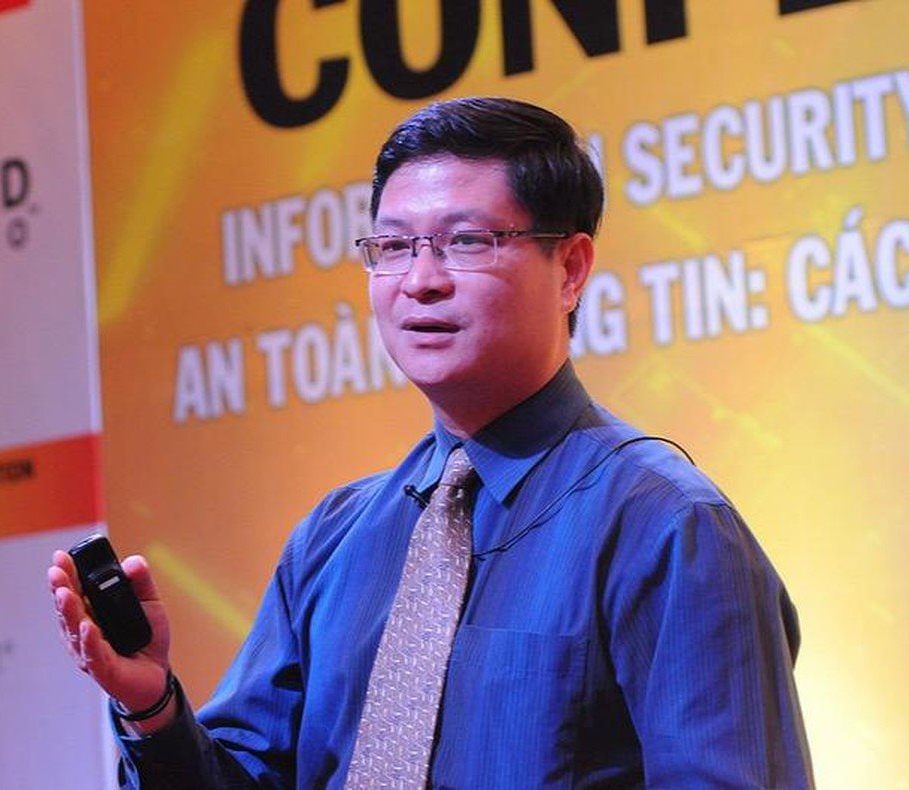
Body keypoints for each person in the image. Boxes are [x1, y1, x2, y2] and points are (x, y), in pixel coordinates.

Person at [49, 97, 814, 788]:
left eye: (466, 241)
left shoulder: (666, 525)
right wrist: (153, 708)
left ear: (572, 269)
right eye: (392, 247)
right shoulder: (334, 538)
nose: (421, 280)